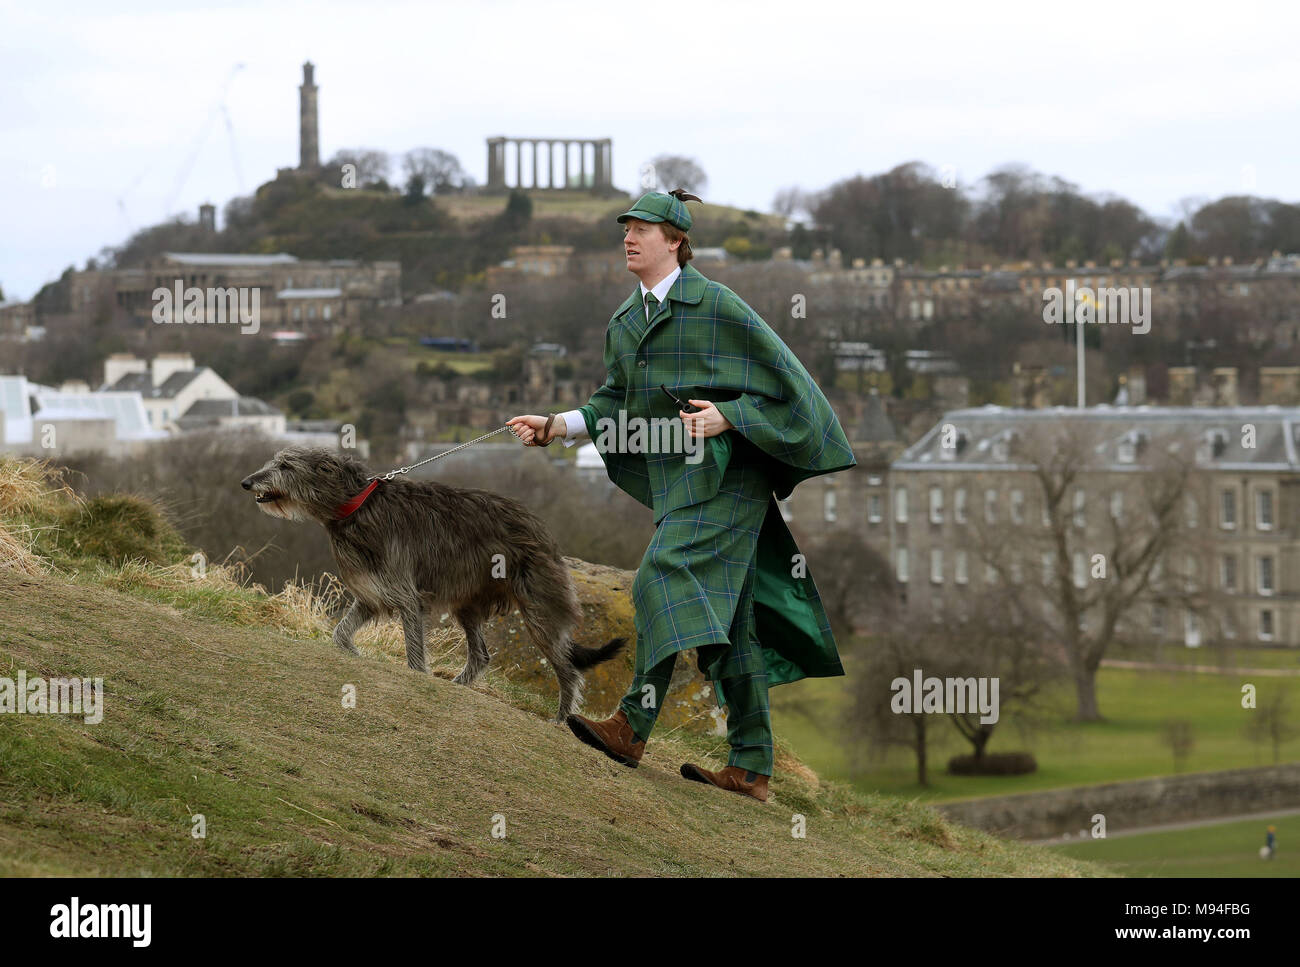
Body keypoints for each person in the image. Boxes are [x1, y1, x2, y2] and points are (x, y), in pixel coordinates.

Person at [508, 189, 855, 802]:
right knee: (736, 618)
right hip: (677, 482)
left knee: (658, 577)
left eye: (643, 229)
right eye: (625, 228)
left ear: (675, 242)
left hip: (728, 478)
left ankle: (632, 727)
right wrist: (558, 425)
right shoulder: (625, 321)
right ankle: (751, 768)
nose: (629, 237)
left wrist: (730, 416)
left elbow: (789, 389)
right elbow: (616, 400)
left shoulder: (717, 305)